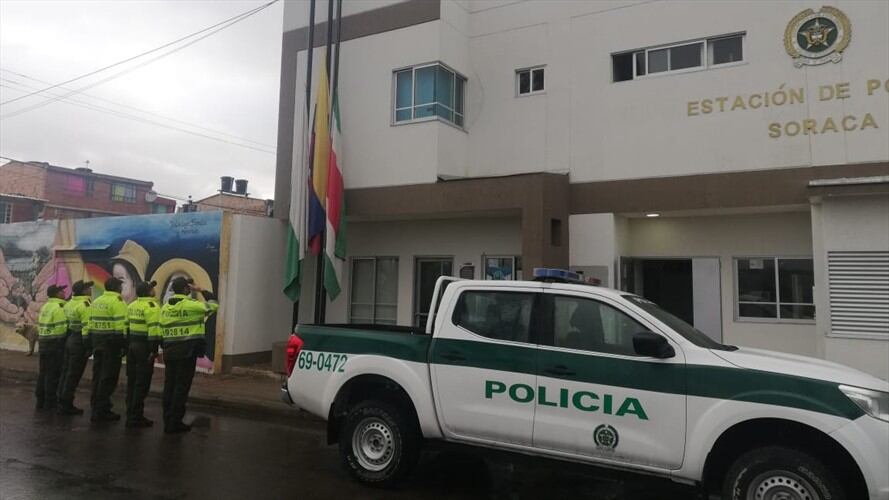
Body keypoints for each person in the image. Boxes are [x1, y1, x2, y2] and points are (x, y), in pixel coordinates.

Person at [159, 277, 218, 434]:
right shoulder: (192, 305)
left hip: (170, 351)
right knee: (181, 387)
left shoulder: (165, 307)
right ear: (187, 289)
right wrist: (200, 290)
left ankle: (167, 419)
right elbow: (214, 304)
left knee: (169, 385)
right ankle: (175, 422)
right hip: (186, 352)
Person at [88, 277, 128, 422]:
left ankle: (95, 405)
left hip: (97, 342)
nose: (122, 289)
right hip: (111, 345)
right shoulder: (117, 302)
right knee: (108, 378)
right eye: (120, 286)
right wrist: (122, 345)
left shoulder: (97, 301)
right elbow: (120, 326)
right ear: (117, 287)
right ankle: (102, 410)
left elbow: (90, 323)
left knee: (97, 375)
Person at [125, 280, 161, 428]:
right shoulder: (152, 307)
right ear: (148, 292)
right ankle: (136, 416)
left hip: (132, 346)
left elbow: (126, 327)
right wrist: (154, 350)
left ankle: (130, 412)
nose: (154, 290)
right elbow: (153, 330)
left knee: (132, 380)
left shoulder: (132, 305)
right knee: (142, 382)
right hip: (143, 347)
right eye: (152, 288)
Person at [57, 280, 93, 415]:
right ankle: (66, 404)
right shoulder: (85, 305)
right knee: (73, 374)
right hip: (79, 341)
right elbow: (86, 327)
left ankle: (61, 399)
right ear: (83, 291)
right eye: (88, 288)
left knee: (66, 372)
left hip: (70, 338)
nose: (90, 290)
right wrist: (88, 346)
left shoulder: (70, 303)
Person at [35, 285, 68, 410]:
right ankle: (50, 401)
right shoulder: (59, 307)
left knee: (43, 372)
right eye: (61, 291)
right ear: (57, 293)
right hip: (55, 344)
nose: (64, 292)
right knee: (53, 374)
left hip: (44, 342)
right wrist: (63, 341)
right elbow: (61, 328)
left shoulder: (46, 306)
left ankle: (40, 399)